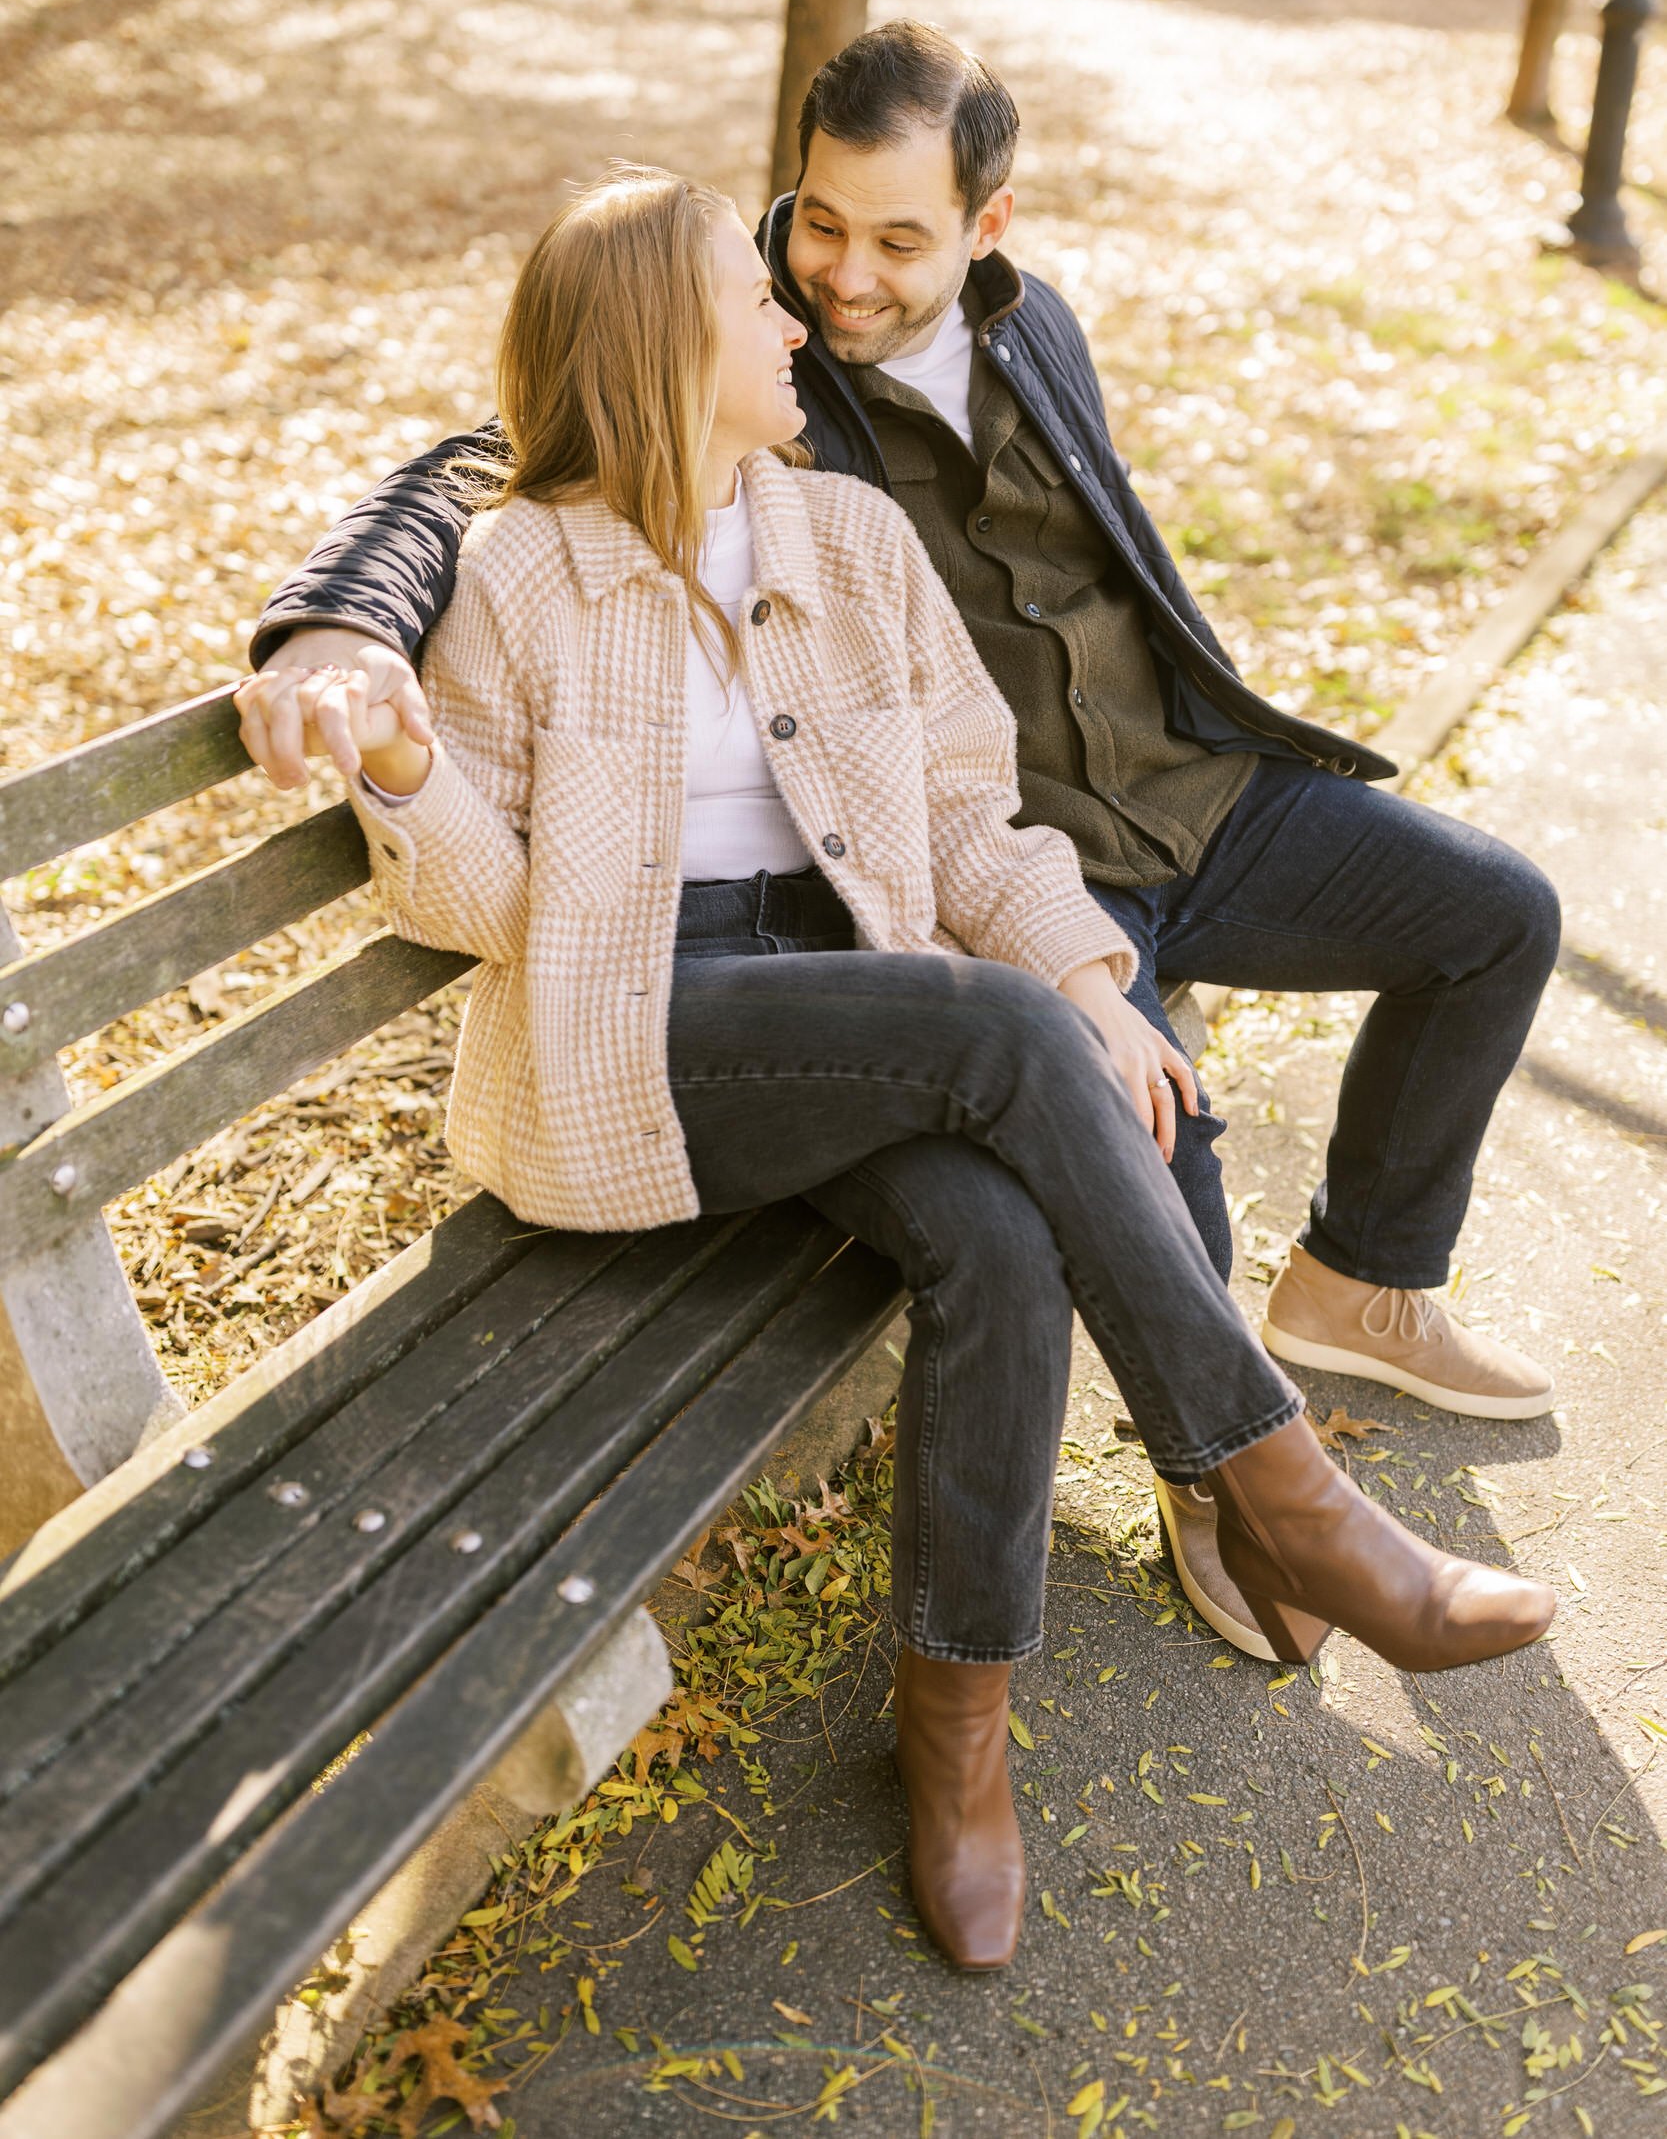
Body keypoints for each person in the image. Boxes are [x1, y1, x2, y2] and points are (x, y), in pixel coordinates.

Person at [237, 167, 1553, 1972]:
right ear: (658, 345)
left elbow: (964, 819)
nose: (796, 319)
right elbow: (484, 912)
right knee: (990, 1030)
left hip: (853, 1015)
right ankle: (1286, 1495)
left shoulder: (848, 540)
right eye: (754, 300)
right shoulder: (520, 569)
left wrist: (1091, 971)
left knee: (999, 1236)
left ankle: (958, 1742)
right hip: (631, 1034)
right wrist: (400, 762)